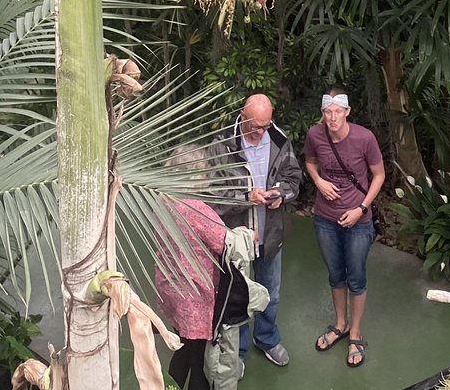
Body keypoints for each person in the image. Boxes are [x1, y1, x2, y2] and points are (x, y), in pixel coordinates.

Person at [214, 93, 300, 368]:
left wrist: (280, 195)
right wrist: (245, 196)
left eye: (264, 125)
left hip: (271, 234)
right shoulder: (223, 144)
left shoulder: (278, 140)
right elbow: (212, 194)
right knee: (237, 295)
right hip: (238, 239)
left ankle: (266, 338)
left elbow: (294, 179)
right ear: (242, 114)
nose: (259, 132)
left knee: (270, 293)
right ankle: (237, 352)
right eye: (254, 126)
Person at [305, 86, 385, 369]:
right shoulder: (315, 135)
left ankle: (355, 333)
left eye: (337, 112)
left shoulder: (365, 138)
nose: (332, 118)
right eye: (327, 112)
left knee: (357, 278)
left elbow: (379, 175)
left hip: (358, 221)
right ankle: (340, 324)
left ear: (348, 111)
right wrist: (318, 181)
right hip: (325, 219)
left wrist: (361, 208)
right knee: (335, 274)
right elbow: (310, 162)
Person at [155, 146, 230, 390]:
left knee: (184, 345)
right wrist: (244, 235)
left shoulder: (163, 200)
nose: (208, 176)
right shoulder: (199, 211)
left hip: (170, 287)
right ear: (194, 176)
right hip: (194, 296)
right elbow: (224, 243)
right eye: (204, 172)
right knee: (194, 356)